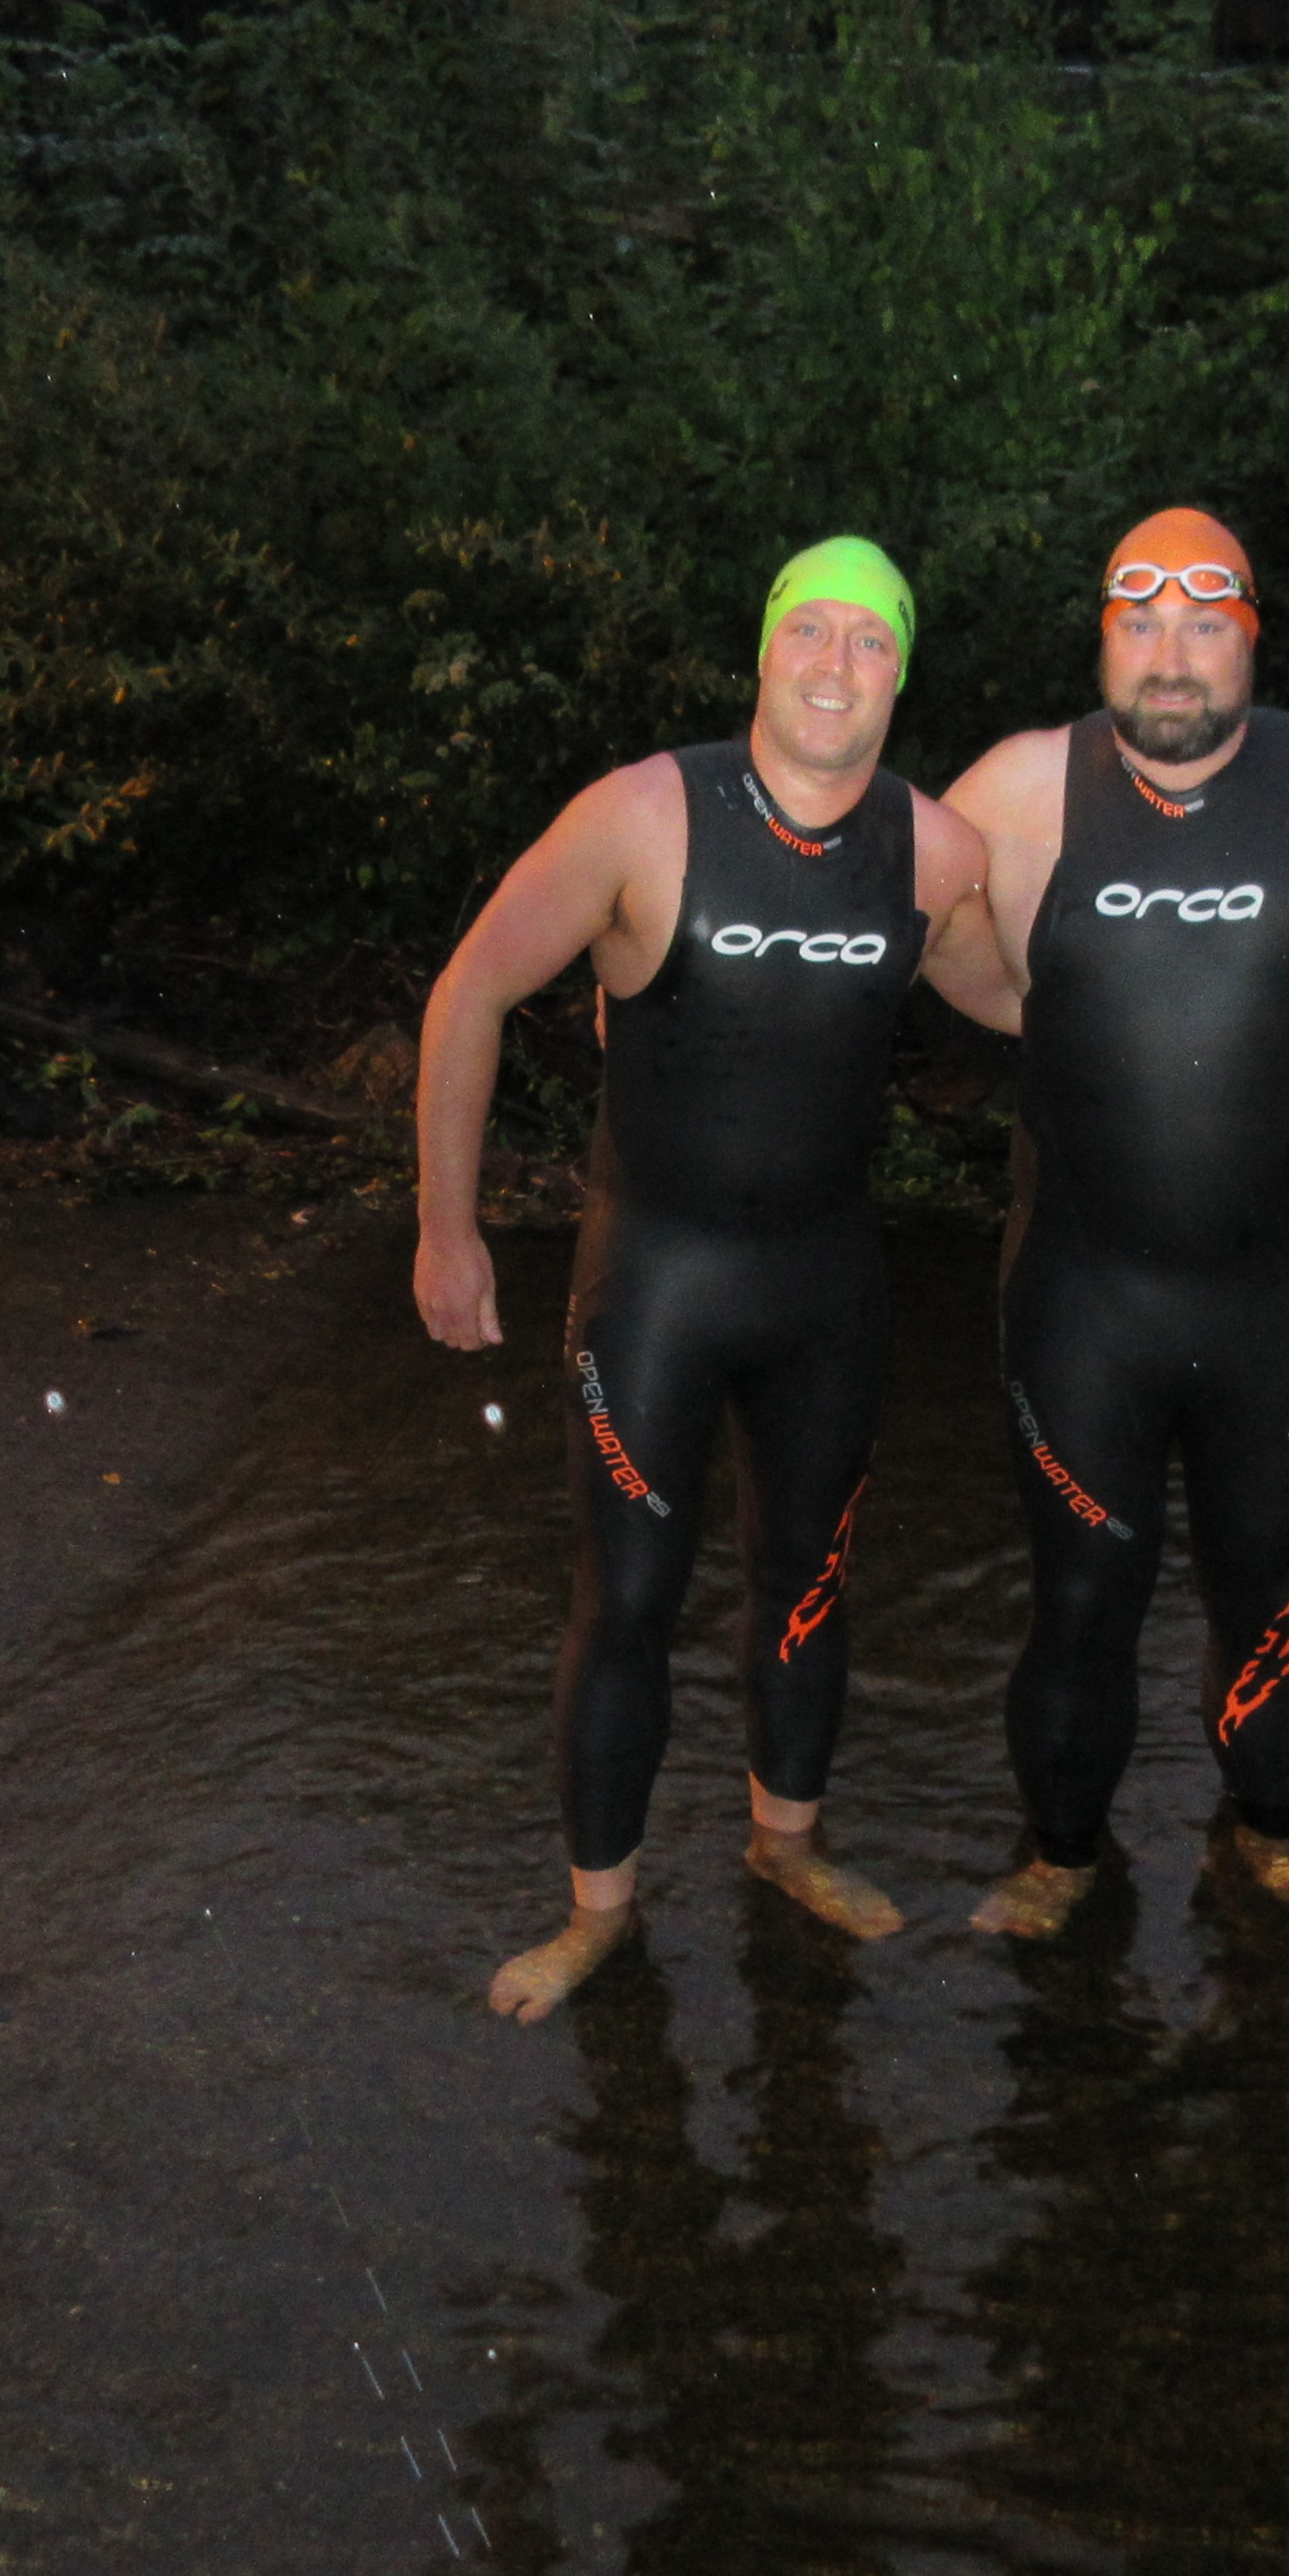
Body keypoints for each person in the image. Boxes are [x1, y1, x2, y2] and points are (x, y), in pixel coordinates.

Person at [416, 537, 999, 2022]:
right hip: (654, 1284)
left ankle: (785, 1840)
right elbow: (472, 986)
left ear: (900, 674)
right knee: (626, 1600)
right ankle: (598, 1909)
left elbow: (1023, 994)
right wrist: (448, 1227)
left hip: (826, 1289)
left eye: (871, 642)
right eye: (809, 628)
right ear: (760, 651)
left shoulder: (936, 853)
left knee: (807, 1584)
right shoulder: (640, 816)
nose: (835, 663)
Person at [929, 507, 1289, 1948]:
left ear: (1251, 634)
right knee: (1080, 1606)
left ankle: (1270, 1841)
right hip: (1082, 1307)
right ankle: (1063, 1859)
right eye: (1141, 619)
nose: (1172, 655)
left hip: (1284, 1313)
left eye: (1206, 621)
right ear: (1101, 640)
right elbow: (898, 925)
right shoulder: (1014, 789)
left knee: (1271, 1600)